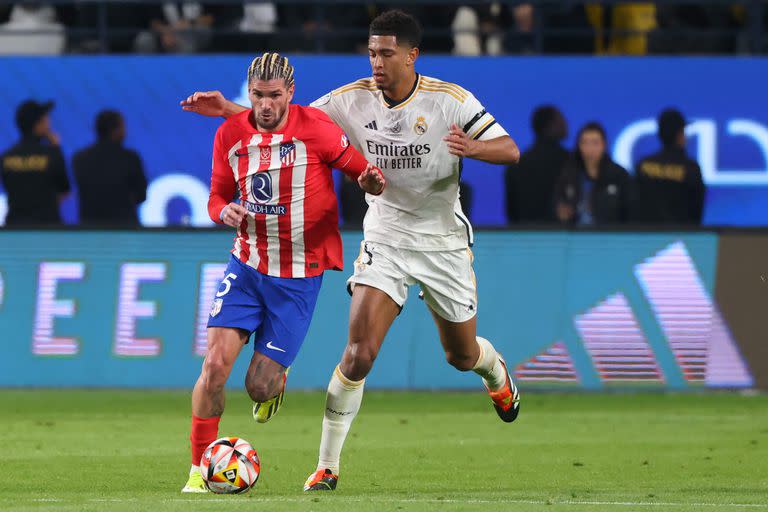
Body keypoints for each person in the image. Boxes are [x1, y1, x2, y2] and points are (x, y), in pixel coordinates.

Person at [181, 10, 521, 493]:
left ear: (411, 55)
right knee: (358, 354)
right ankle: (327, 466)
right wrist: (232, 110)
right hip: (384, 235)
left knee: (460, 356)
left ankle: (494, 370)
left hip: (443, 240)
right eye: (371, 52)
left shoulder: (450, 101)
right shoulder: (350, 100)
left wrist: (472, 147)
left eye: (386, 53)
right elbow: (286, 123)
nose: (376, 62)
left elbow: (511, 150)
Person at [180, 53, 385, 493]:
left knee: (258, 386)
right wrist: (223, 211)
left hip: (298, 277)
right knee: (214, 366)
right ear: (248, 92)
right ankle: (199, 470)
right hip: (247, 265)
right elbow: (215, 195)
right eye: (257, 95)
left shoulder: (316, 128)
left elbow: (358, 169)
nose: (266, 104)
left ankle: (275, 383)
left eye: (274, 95)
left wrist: (369, 181)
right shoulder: (230, 134)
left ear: (290, 92)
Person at [73, 110, 148, 226]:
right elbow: (141, 195)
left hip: (90, 229)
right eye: (123, 127)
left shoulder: (79, 159)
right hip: (124, 228)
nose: (125, 131)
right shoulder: (130, 158)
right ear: (115, 130)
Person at [1, 100, 70, 226]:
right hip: (47, 228)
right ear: (38, 125)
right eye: (45, 119)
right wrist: (56, 147)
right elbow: (65, 190)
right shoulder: (52, 154)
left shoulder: (6, 157)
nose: (49, 123)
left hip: (15, 229)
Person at [632, 108, 705, 224]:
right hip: (681, 238)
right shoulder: (691, 168)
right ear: (679, 135)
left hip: (647, 237)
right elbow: (696, 212)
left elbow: (634, 207)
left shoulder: (643, 166)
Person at [554, 122, 630, 225]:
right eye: (584, 142)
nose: (590, 149)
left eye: (595, 143)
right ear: (578, 146)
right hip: (574, 236)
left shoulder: (619, 175)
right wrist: (561, 213)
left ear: (604, 145)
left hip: (609, 236)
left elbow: (630, 212)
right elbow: (556, 205)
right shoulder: (568, 174)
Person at [505, 105, 569, 223]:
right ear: (550, 125)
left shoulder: (516, 164)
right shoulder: (570, 163)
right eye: (561, 120)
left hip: (523, 235)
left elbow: (511, 214)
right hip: (561, 236)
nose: (566, 124)